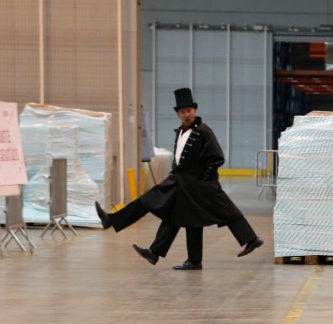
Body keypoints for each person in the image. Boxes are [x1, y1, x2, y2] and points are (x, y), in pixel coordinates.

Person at [95, 88, 263, 269]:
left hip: (194, 183)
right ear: (178, 114)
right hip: (179, 180)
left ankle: (114, 222)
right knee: (183, 218)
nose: (187, 114)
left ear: (195, 111)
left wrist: (204, 179)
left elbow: (217, 157)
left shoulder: (204, 131)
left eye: (189, 111)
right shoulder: (181, 131)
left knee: (153, 201)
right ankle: (179, 257)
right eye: (183, 112)